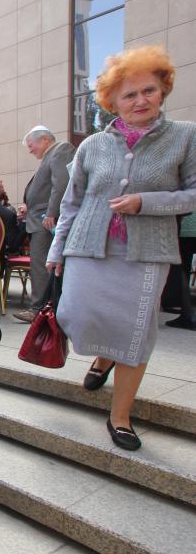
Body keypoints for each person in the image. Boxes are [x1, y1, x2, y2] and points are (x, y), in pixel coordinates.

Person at [46, 45, 196, 451]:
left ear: (163, 90)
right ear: (112, 101)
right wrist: (56, 250)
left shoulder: (185, 136)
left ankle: (120, 417)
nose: (140, 100)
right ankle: (103, 357)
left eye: (149, 90)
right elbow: (72, 202)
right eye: (129, 94)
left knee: (136, 333)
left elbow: (193, 193)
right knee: (74, 314)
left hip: (146, 252)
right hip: (87, 246)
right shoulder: (92, 144)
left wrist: (146, 202)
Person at [14, 125, 75, 322]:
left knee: (41, 266)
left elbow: (61, 184)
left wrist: (52, 213)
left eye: (31, 145)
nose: (30, 150)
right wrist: (29, 206)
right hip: (40, 218)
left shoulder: (60, 150)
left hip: (46, 221)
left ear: (45, 139)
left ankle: (38, 309)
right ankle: (43, 307)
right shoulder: (50, 155)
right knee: (41, 266)